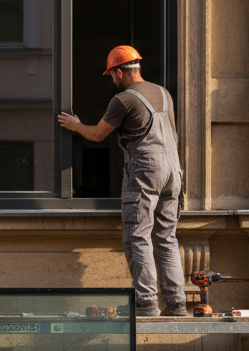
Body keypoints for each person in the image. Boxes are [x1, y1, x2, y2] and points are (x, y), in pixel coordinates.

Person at [58, 45, 187, 317]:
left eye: (112, 75)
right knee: (167, 237)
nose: (113, 80)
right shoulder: (164, 93)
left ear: (119, 72)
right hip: (173, 171)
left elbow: (97, 135)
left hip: (146, 170)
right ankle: (177, 304)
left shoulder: (124, 99)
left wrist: (75, 125)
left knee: (138, 235)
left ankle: (146, 303)